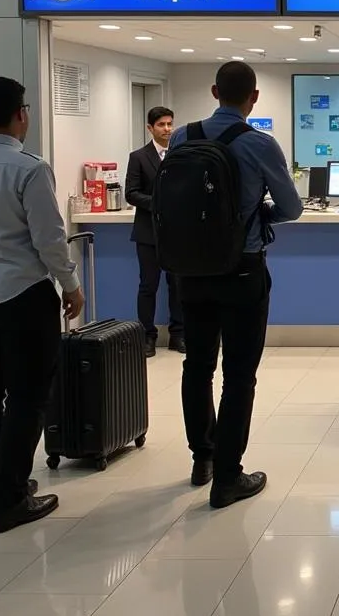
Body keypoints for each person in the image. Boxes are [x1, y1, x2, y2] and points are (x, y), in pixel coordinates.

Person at [170, 62, 302, 509]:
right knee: (239, 374)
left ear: (213, 91)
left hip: (191, 269)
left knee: (197, 364)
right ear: (255, 98)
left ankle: (201, 458)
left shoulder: (181, 137)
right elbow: (292, 207)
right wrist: (260, 211)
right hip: (242, 269)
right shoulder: (259, 143)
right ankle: (228, 477)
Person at [0, 78, 84, 533]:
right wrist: (71, 284)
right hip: (21, 296)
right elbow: (49, 238)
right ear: (20, 114)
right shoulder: (26, 167)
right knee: (28, 397)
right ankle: (9, 496)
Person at [125, 105, 185, 358]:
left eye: (170, 124)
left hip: (176, 232)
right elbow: (131, 193)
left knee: (178, 285)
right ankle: (147, 336)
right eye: (161, 124)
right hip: (148, 232)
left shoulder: (182, 153)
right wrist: (157, 203)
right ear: (150, 128)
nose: (167, 129)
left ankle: (178, 334)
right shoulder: (138, 156)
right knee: (148, 286)